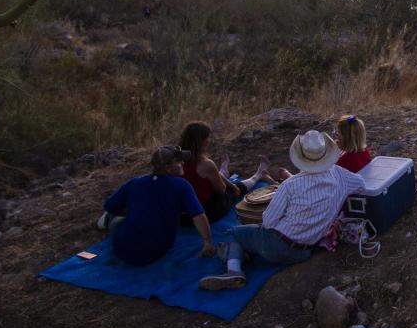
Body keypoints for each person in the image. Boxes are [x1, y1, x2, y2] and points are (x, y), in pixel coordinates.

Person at [199, 130, 365, 290]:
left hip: (277, 246)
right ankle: (245, 253)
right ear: (326, 153)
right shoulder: (340, 175)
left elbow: (268, 222)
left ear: (301, 157)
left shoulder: (290, 185)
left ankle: (233, 270)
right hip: (305, 251)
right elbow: (361, 183)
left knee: (233, 233)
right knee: (254, 238)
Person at [98, 145, 214, 266]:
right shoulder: (182, 185)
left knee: (117, 219)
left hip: (122, 251)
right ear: (168, 168)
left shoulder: (135, 182)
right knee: (118, 221)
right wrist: (208, 242)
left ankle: (108, 219)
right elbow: (198, 215)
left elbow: (109, 206)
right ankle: (110, 219)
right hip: (156, 251)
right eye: (179, 161)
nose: (183, 162)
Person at [178, 122, 269, 223]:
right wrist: (233, 187)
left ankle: (222, 171)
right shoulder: (205, 164)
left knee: (214, 177)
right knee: (234, 189)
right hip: (203, 214)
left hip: (181, 217)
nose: (209, 141)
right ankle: (258, 175)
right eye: (208, 138)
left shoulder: (173, 161)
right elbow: (221, 190)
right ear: (202, 141)